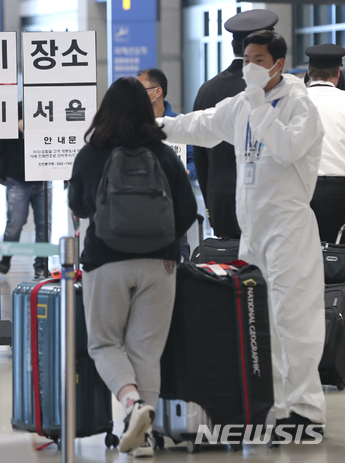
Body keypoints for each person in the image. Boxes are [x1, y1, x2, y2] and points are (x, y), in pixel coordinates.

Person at [159, 30, 327, 436]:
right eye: (246, 58)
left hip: (288, 227)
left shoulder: (299, 104)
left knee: (294, 318)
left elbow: (286, 149)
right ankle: (272, 402)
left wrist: (256, 101)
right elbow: (201, 126)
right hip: (253, 228)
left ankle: (307, 408)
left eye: (258, 59)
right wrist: (154, 127)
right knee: (259, 317)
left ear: (278, 63)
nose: (250, 66)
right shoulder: (240, 105)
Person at [68, 77, 197, 456]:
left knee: (105, 342)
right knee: (146, 350)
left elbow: (78, 205)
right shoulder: (164, 153)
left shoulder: (92, 153)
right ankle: (147, 437)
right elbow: (187, 211)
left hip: (105, 260)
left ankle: (131, 405)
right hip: (161, 263)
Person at [192, 10, 278, 239]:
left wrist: (211, 200)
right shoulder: (275, 89)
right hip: (267, 196)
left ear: (232, 44)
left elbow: (199, 153)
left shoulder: (208, 90)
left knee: (230, 269)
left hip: (223, 197)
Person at [0, 102, 51, 279]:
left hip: (43, 178)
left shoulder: (50, 108)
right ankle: (6, 257)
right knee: (15, 224)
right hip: (18, 179)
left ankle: (41, 265)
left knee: (44, 225)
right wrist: (15, 125)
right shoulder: (16, 110)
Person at [137, 68, 195, 262]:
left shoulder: (180, 124)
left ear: (157, 91)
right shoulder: (133, 125)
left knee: (178, 258)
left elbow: (194, 159)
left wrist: (188, 171)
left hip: (173, 204)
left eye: (141, 90)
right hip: (140, 206)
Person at [305, 43, 345, 243]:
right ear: (338, 73)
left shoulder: (290, 102)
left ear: (308, 72)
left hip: (298, 188)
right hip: (339, 193)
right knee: (338, 258)